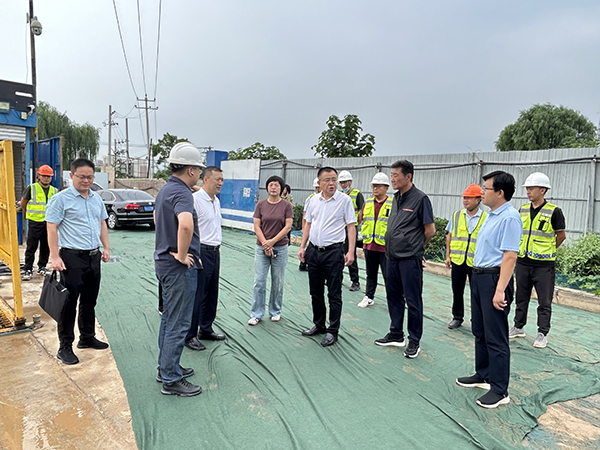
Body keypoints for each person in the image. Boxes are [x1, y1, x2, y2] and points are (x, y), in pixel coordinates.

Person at [456, 171, 522, 409]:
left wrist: (500, 290)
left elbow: (510, 256)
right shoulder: (492, 216)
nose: (482, 192)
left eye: (486, 189)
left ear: (500, 193)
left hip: (495, 280)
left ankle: (500, 389)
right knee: (480, 330)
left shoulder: (510, 218)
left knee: (496, 335)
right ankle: (483, 374)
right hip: (479, 277)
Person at [46, 159, 110, 366]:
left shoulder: (96, 199)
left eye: (90, 177)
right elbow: (51, 227)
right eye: (82, 176)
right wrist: (55, 257)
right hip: (71, 258)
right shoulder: (60, 199)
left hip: (93, 256)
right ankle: (65, 347)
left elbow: (102, 223)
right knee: (69, 303)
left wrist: (106, 248)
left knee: (89, 300)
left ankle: (87, 337)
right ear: (71, 176)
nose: (86, 180)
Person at [154, 142, 204, 397]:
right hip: (178, 269)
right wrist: (182, 255)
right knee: (178, 322)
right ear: (191, 169)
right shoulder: (182, 194)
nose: (200, 174)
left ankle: (166, 368)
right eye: (199, 170)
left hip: (164, 264)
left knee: (168, 319)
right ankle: (171, 379)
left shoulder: (165, 190)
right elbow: (185, 225)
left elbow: (157, 220)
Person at [375, 160, 435, 359]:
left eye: (395, 175)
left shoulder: (420, 199)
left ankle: (414, 340)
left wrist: (416, 247)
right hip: (391, 257)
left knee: (413, 300)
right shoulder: (396, 198)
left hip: (409, 259)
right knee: (393, 296)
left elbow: (430, 230)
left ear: (408, 176)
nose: (392, 179)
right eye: (391, 175)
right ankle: (396, 333)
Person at [298, 167, 356, 347]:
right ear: (319, 183)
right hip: (314, 251)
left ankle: (333, 330)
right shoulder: (313, 201)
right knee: (315, 291)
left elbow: (351, 227)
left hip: (334, 252)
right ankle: (319, 325)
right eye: (327, 180)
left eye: (334, 180)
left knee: (334, 293)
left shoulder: (345, 201)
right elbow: (308, 224)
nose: (332, 183)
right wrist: (302, 246)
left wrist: (351, 251)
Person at [509, 172, 566, 349]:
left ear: (543, 190)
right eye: (527, 188)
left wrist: (548, 250)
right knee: (521, 297)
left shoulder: (554, 211)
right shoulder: (523, 210)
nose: (528, 191)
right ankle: (518, 327)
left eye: (531, 188)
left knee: (544, 301)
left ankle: (542, 334)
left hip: (544, 265)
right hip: (523, 261)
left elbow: (561, 235)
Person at [185, 166, 226, 351]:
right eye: (217, 179)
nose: (220, 183)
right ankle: (189, 335)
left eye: (222, 180)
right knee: (197, 294)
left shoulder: (216, 201)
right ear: (206, 180)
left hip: (214, 251)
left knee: (211, 293)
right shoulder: (195, 200)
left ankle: (206, 329)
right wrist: (191, 252)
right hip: (200, 251)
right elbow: (187, 229)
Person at [248, 176, 293, 325]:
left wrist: (272, 242)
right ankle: (256, 313)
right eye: (271, 185)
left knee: (277, 281)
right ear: (267, 188)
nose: (273, 187)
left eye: (277, 185)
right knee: (259, 281)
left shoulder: (287, 206)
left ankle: (275, 311)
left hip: (280, 248)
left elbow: (287, 227)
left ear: (282, 188)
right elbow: (256, 226)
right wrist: (265, 244)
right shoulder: (260, 205)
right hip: (262, 248)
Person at [444, 184, 487, 329]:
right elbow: (449, 236)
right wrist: (448, 255)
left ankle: (477, 320)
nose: (465, 200)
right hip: (458, 260)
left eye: (469, 198)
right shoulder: (456, 215)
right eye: (464, 198)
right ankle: (457, 317)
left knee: (477, 293)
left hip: (476, 262)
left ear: (478, 199)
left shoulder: (486, 218)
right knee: (457, 290)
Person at [357, 172, 392, 308]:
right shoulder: (367, 203)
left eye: (379, 186)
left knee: (389, 276)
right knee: (370, 274)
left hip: (385, 247)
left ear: (386, 188)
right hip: (369, 245)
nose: (375, 188)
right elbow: (362, 219)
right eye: (374, 186)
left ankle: (393, 300)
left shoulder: (393, 204)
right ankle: (369, 296)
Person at [21, 165, 57, 281]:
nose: (46, 178)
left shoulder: (54, 191)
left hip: (49, 223)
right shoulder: (32, 188)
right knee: (31, 247)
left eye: (49, 176)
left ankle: (42, 267)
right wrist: (29, 213)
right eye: (44, 176)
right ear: (39, 176)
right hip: (35, 222)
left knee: (46, 246)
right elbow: (23, 203)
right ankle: (28, 269)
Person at [338, 170, 364, 292]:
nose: (343, 185)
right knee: (337, 253)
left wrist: (355, 223)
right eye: (341, 183)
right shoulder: (338, 195)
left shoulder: (357, 194)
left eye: (345, 182)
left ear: (350, 182)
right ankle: (337, 277)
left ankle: (355, 281)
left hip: (351, 228)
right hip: (340, 228)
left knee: (350, 253)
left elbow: (362, 211)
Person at [298, 178, 321, 271]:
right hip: (310, 226)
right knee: (310, 245)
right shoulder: (311, 198)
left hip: (317, 227)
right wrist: (304, 227)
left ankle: (303, 263)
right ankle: (303, 263)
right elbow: (305, 214)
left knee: (311, 246)